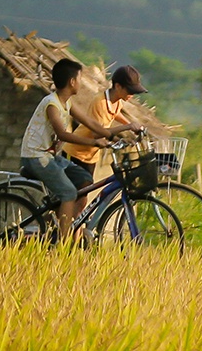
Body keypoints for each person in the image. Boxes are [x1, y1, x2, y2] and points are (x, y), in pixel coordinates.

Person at [19, 58, 111, 240]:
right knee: (69, 193)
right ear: (72, 81)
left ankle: (62, 221)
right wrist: (94, 143)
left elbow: (91, 123)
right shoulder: (52, 104)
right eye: (80, 78)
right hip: (36, 157)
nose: (81, 83)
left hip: (51, 157)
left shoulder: (66, 102)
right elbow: (63, 134)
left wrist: (117, 134)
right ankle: (63, 242)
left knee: (84, 180)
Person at [66, 63, 150, 212]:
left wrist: (130, 125)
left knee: (82, 198)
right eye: (130, 91)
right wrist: (127, 127)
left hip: (90, 156)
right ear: (118, 86)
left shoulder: (116, 101)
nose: (132, 95)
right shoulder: (100, 102)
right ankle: (63, 223)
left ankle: (73, 225)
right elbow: (98, 133)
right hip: (76, 152)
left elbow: (115, 114)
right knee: (75, 196)